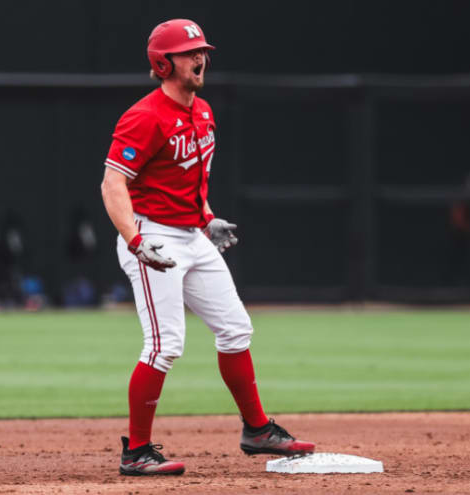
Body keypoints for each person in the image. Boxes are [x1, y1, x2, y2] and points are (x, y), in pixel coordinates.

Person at [101, 19, 315, 476]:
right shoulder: (145, 116)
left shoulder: (202, 112)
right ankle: (136, 451)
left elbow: (190, 181)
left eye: (201, 50)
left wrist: (206, 218)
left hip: (191, 235)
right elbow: (112, 184)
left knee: (236, 329)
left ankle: (257, 430)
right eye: (187, 52)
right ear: (163, 62)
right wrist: (136, 242)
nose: (200, 58)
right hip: (151, 234)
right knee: (164, 345)